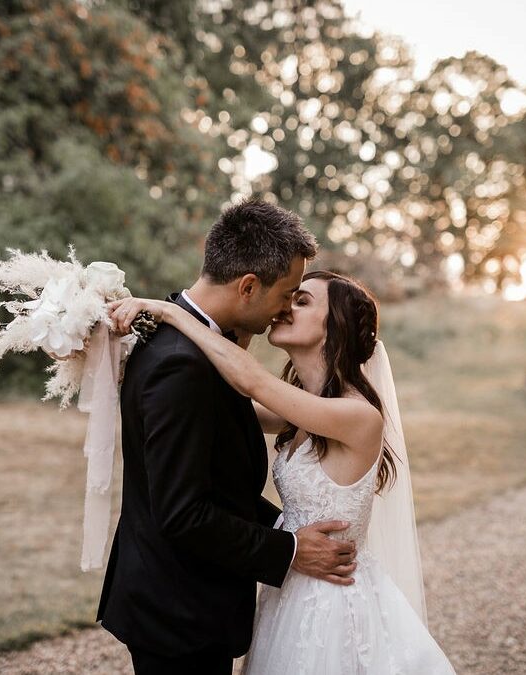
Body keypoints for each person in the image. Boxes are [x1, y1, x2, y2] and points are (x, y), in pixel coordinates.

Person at [111, 269, 457, 674]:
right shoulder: (302, 408)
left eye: (303, 300)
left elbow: (250, 380)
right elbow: (218, 401)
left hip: (333, 600)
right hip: (292, 587)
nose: (286, 306)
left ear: (335, 327)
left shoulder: (357, 416)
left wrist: (171, 314)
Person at [95, 200, 360, 675]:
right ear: (248, 286)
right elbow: (183, 513)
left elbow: (216, 484)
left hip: (182, 598)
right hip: (178, 608)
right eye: (287, 294)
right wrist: (292, 550)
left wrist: (294, 528)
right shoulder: (183, 362)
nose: (284, 308)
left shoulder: (195, 344)